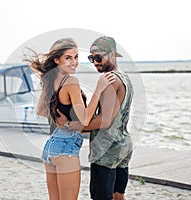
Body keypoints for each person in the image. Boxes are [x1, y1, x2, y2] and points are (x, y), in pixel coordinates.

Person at [25, 38, 115, 200]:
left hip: (51, 147)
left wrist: (63, 122)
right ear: (56, 59)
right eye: (68, 58)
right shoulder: (71, 82)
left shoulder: (50, 80)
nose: (74, 62)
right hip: (66, 147)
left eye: (76, 57)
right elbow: (85, 119)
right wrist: (99, 89)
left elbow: (40, 111)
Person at [57, 36, 134, 200]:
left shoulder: (110, 81)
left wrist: (69, 125)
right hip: (123, 145)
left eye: (98, 57)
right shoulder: (125, 77)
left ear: (112, 54)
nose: (95, 62)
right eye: (91, 58)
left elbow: (103, 121)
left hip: (107, 149)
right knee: (118, 195)